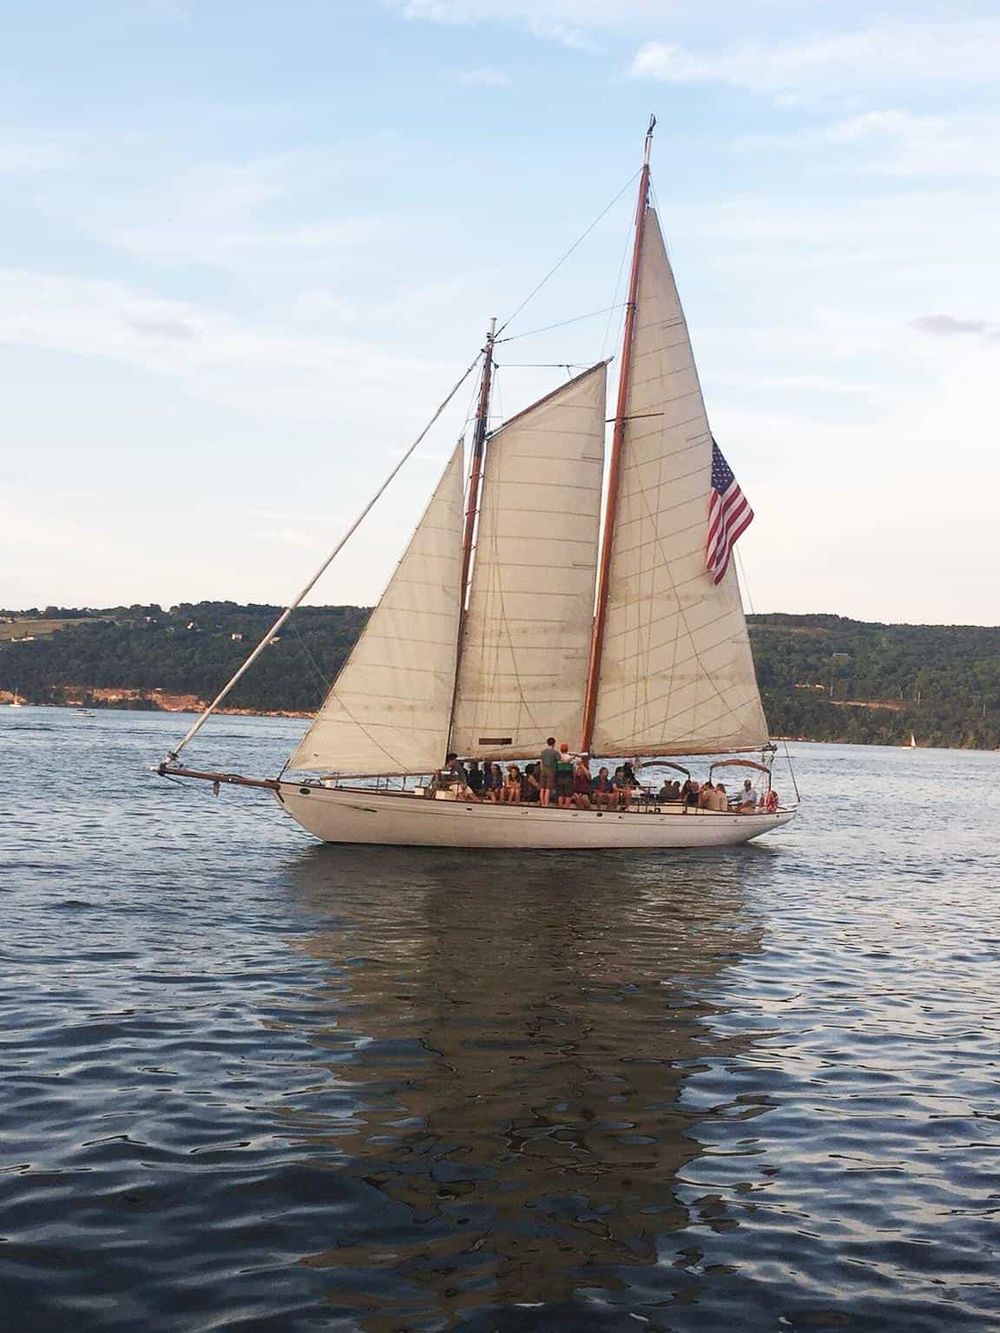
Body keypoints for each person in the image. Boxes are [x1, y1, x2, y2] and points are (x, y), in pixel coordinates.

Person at [538, 736, 559, 808]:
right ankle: (546, 804)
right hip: (551, 770)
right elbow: (559, 760)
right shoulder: (555, 752)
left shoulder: (543, 752)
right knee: (548, 789)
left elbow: (541, 762)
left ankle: (542, 803)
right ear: (554, 744)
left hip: (543, 770)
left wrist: (542, 770)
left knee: (542, 789)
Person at [555, 743, 575, 809]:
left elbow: (556, 768)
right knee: (568, 795)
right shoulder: (571, 758)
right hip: (568, 778)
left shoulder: (558, 758)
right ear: (567, 749)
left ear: (560, 750)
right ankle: (566, 807)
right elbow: (573, 770)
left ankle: (560, 807)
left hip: (559, 777)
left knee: (560, 794)